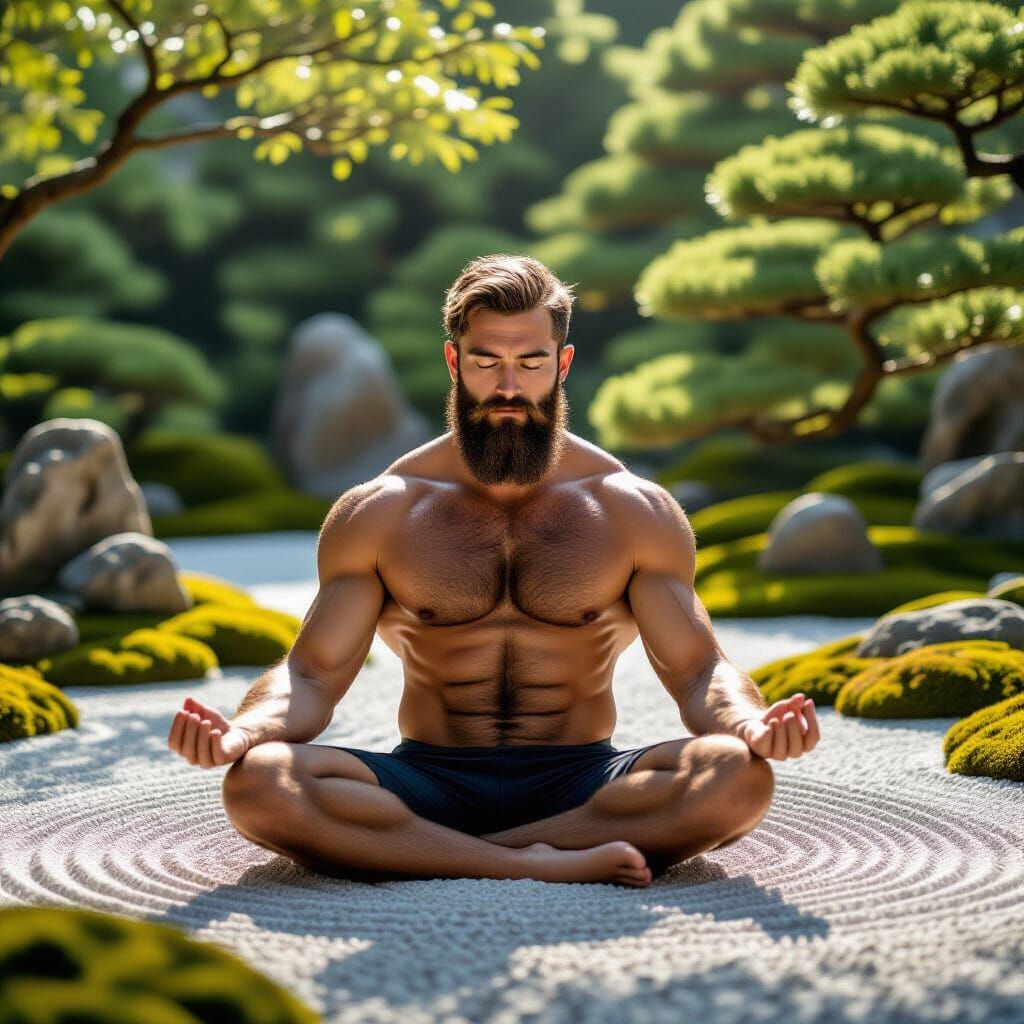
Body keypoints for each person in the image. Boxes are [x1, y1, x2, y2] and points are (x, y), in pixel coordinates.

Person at [168, 254, 819, 887]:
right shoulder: (383, 510)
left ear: (562, 363)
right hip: (429, 776)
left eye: (530, 362)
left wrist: (749, 724)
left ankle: (436, 853)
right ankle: (533, 860)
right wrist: (243, 732)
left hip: (581, 779)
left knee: (736, 775)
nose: (509, 387)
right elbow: (312, 674)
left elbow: (698, 670)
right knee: (260, 782)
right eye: (487, 362)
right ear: (455, 361)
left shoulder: (632, 509)